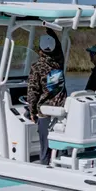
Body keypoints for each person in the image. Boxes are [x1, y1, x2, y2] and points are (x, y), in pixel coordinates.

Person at [27, 29, 67, 164]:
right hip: (61, 108)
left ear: (40, 49)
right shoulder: (59, 62)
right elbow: (59, 48)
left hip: (45, 111)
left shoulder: (37, 67)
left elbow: (33, 91)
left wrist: (32, 111)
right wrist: (51, 31)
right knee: (59, 140)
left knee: (45, 144)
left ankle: (44, 165)